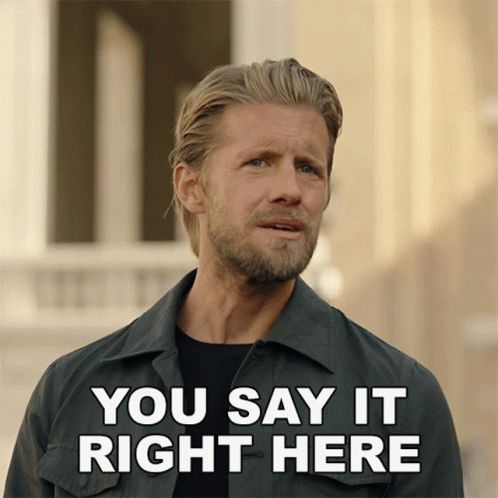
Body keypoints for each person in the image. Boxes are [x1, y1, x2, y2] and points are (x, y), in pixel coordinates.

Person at [4, 58, 463, 497]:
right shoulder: (71, 392)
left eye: (308, 168)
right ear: (191, 187)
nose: (290, 190)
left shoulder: (400, 402)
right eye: (259, 162)